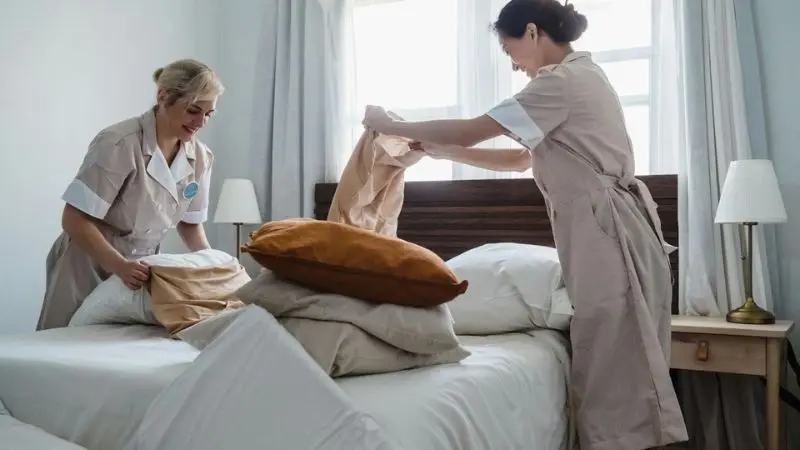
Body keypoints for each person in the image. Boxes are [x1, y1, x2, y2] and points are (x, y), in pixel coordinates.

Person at [362, 1, 688, 449]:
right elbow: (520, 159)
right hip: (604, 227)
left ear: (532, 32)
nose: (513, 64)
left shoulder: (560, 82)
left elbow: (473, 129)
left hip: (606, 229)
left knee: (614, 365)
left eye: (508, 48)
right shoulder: (578, 79)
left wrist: (390, 125)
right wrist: (443, 152)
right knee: (617, 361)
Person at [37, 59, 223, 331]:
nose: (201, 122)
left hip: (138, 270)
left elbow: (190, 224)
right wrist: (120, 266)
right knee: (63, 342)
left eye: (209, 114)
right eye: (193, 110)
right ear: (163, 96)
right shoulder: (119, 143)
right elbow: (74, 219)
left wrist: (213, 266)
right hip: (88, 264)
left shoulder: (201, 157)